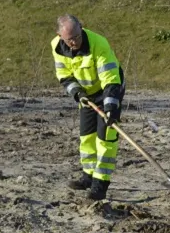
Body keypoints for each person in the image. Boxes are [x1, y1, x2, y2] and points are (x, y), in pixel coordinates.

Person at [51, 14, 125, 201]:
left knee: (105, 137)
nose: (75, 42)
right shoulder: (57, 47)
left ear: (81, 28)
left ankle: (100, 185)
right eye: (70, 39)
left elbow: (110, 79)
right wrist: (78, 93)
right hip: (86, 94)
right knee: (87, 136)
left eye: (77, 36)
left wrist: (110, 108)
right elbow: (64, 75)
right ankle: (88, 177)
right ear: (60, 36)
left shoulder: (98, 44)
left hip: (108, 89)